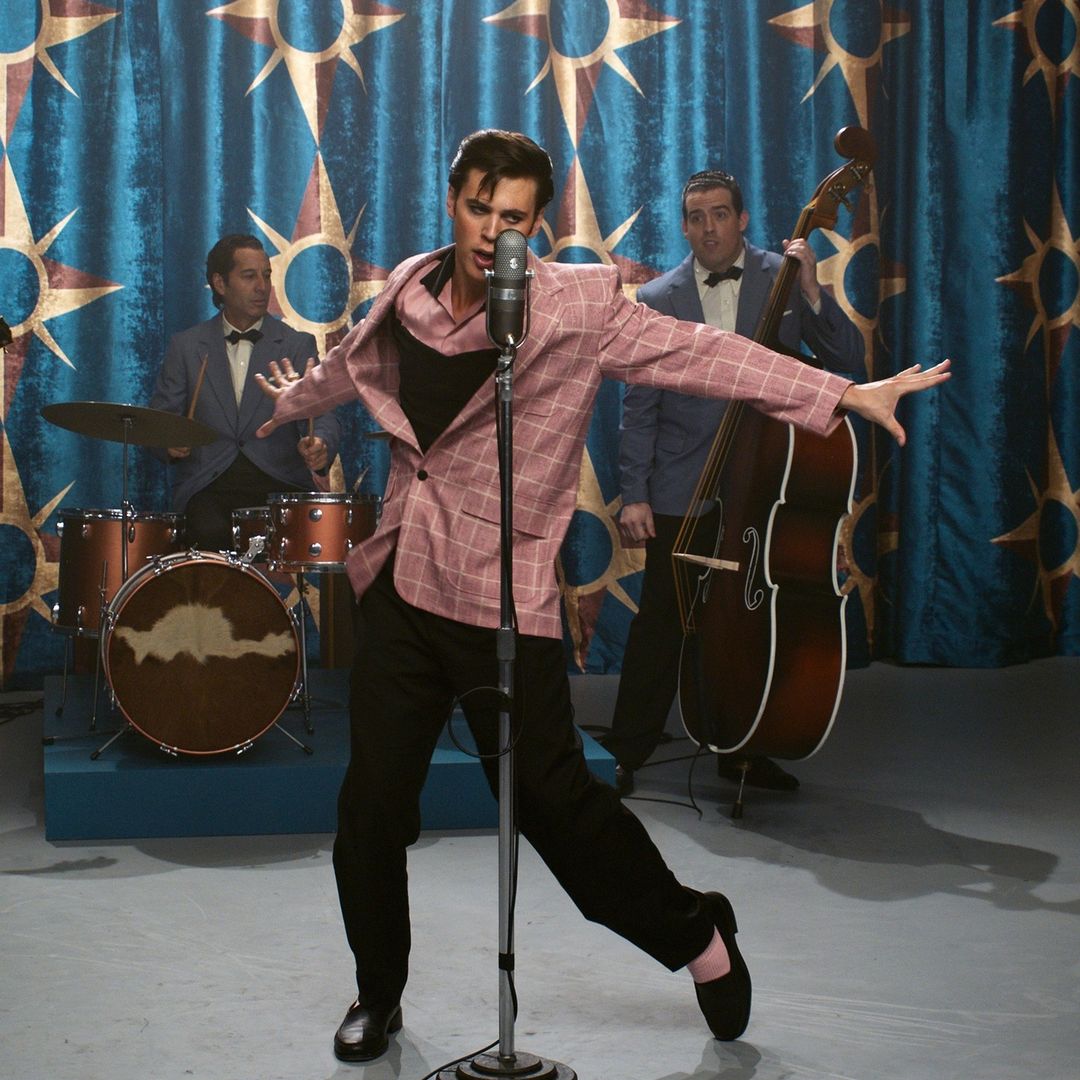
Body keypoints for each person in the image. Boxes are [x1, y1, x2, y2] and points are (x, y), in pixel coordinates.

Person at [255, 129, 948, 1062]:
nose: (491, 230)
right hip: (408, 586)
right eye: (478, 207)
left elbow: (697, 352)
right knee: (371, 806)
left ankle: (699, 936)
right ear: (453, 201)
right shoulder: (412, 285)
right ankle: (377, 992)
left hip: (502, 600)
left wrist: (837, 393)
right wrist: (297, 398)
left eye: (513, 217)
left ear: (537, 226)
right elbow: (355, 364)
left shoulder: (574, 306)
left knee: (559, 813)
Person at [605, 169, 865, 797]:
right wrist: (635, 493)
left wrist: (812, 293)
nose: (709, 228)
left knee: (748, 624)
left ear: (742, 219)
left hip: (767, 486)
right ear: (685, 226)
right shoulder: (658, 297)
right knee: (663, 622)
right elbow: (640, 406)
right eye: (697, 217)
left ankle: (741, 748)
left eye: (720, 214)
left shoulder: (785, 275)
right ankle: (626, 752)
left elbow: (847, 364)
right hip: (682, 485)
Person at [150, 234, 340, 550]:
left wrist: (320, 442)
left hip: (278, 482)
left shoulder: (297, 344)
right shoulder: (186, 347)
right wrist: (169, 442)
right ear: (220, 283)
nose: (262, 287)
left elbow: (322, 416)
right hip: (208, 485)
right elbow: (160, 422)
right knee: (206, 532)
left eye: (266, 275)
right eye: (249, 276)